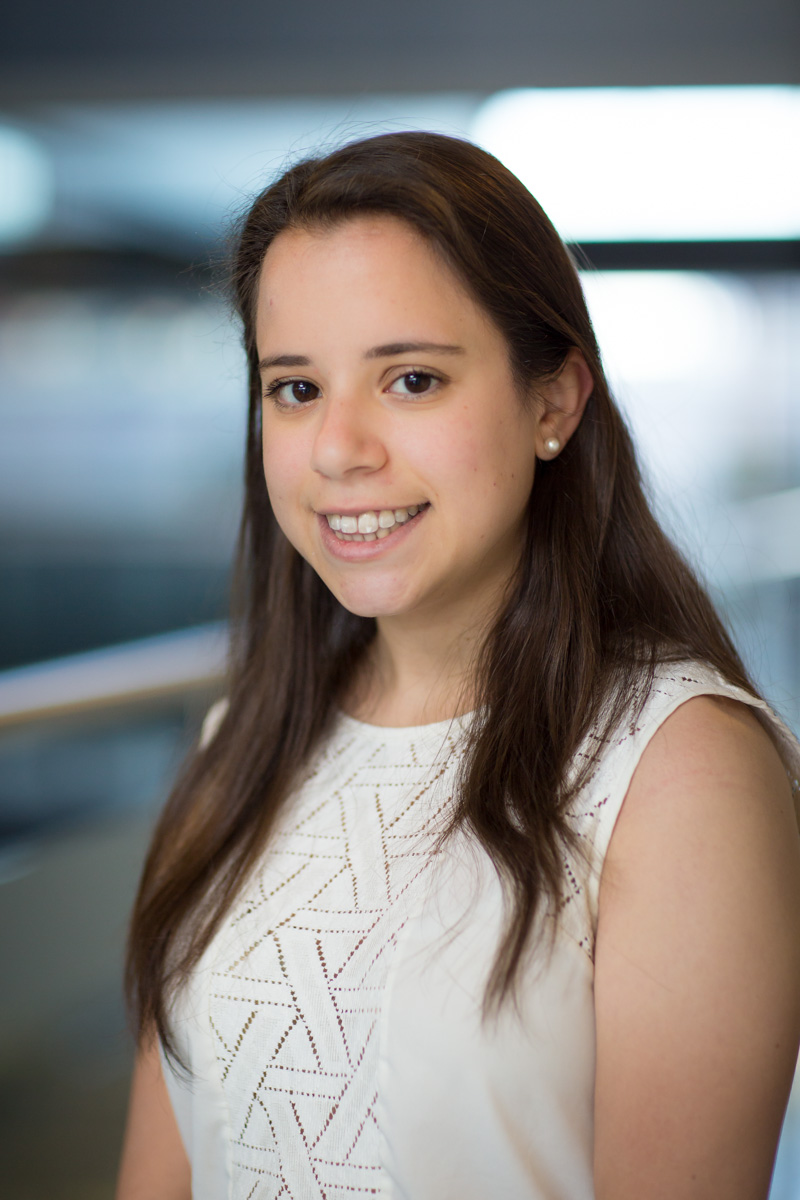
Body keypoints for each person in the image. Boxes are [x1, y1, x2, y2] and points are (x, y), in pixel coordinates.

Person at [116, 131, 800, 1200]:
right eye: (294, 389)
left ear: (552, 403)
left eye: (411, 379)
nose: (339, 448)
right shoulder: (233, 752)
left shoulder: (677, 774)